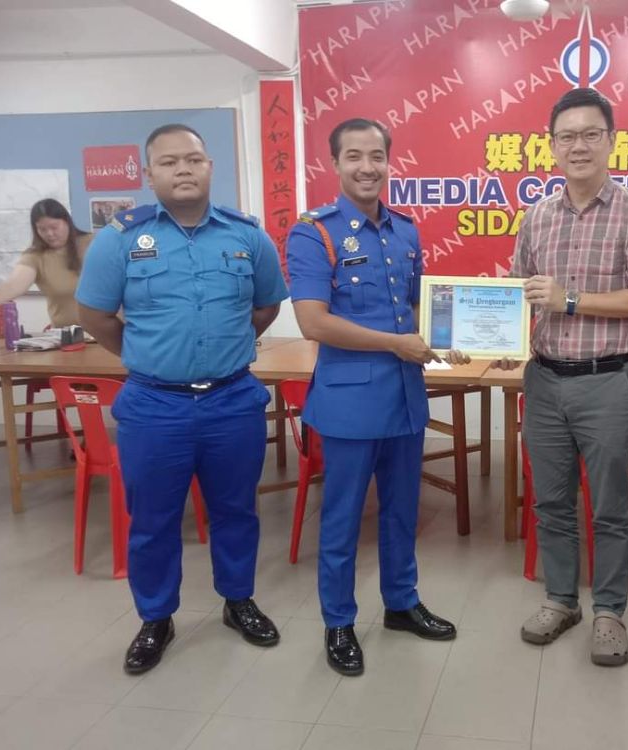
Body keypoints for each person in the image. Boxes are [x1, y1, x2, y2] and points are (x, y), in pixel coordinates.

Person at [76, 123, 290, 675]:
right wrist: (148, 356)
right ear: (149, 176)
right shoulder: (119, 239)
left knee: (237, 511)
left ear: (210, 165)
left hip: (232, 400)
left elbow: (266, 306)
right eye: (168, 163)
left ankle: (237, 600)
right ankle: (156, 618)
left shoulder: (247, 236)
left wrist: (225, 344)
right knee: (151, 518)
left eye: (193, 159)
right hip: (153, 405)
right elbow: (95, 317)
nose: (183, 170)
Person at [286, 117, 464, 677]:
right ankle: (338, 622)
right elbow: (314, 323)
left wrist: (464, 338)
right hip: (347, 404)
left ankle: (401, 604)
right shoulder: (312, 233)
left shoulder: (405, 230)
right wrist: (399, 343)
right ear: (335, 164)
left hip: (406, 399)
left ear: (390, 162)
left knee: (400, 513)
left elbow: (419, 309)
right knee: (341, 521)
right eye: (355, 156)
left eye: (378, 155)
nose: (368, 166)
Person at [498, 88, 628, 667]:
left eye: (590, 134)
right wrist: (492, 330)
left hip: (606, 380)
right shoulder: (536, 216)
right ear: (550, 147)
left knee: (610, 505)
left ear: (611, 141)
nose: (578, 146)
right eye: (566, 136)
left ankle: (610, 611)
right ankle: (561, 599)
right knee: (550, 502)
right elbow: (519, 291)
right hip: (544, 380)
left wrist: (570, 299)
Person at [0, 199, 91, 327]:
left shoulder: (92, 243)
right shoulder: (35, 256)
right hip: (67, 337)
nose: (50, 234)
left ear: (67, 222)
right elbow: (13, 285)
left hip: (105, 336)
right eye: (42, 229)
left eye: (54, 227)